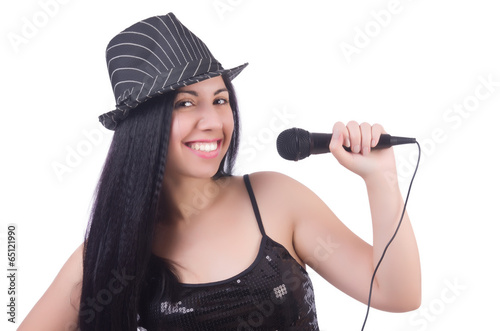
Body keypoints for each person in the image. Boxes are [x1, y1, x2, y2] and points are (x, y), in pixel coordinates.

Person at [19, 12, 421, 330]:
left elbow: (399, 294)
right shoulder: (108, 253)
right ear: (144, 128)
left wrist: (380, 177)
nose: (213, 121)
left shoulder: (276, 199)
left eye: (221, 99)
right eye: (185, 103)